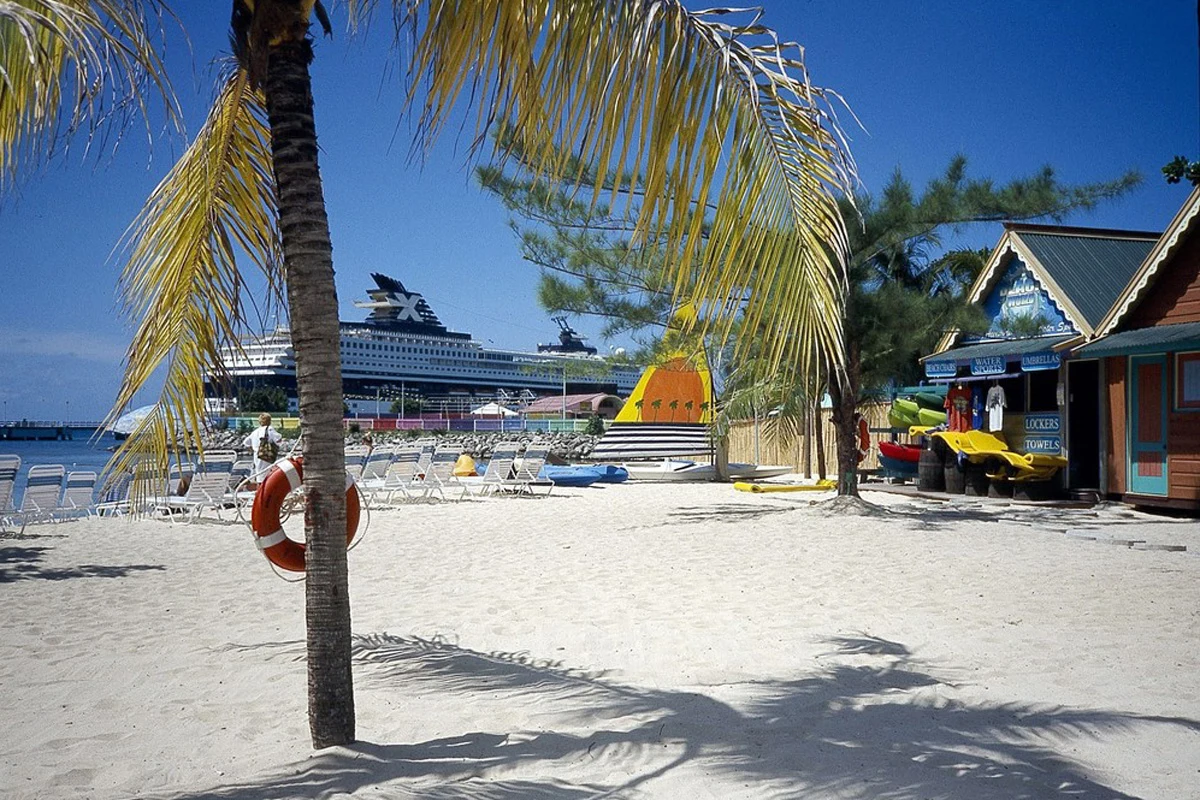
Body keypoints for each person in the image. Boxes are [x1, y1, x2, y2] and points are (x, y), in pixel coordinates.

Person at [243, 412, 283, 485]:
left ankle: (259, 490)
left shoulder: (255, 432)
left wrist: (253, 450)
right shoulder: (269, 429)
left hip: (257, 456)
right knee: (267, 477)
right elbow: (278, 438)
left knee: (259, 477)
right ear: (269, 421)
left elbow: (246, 443)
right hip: (266, 456)